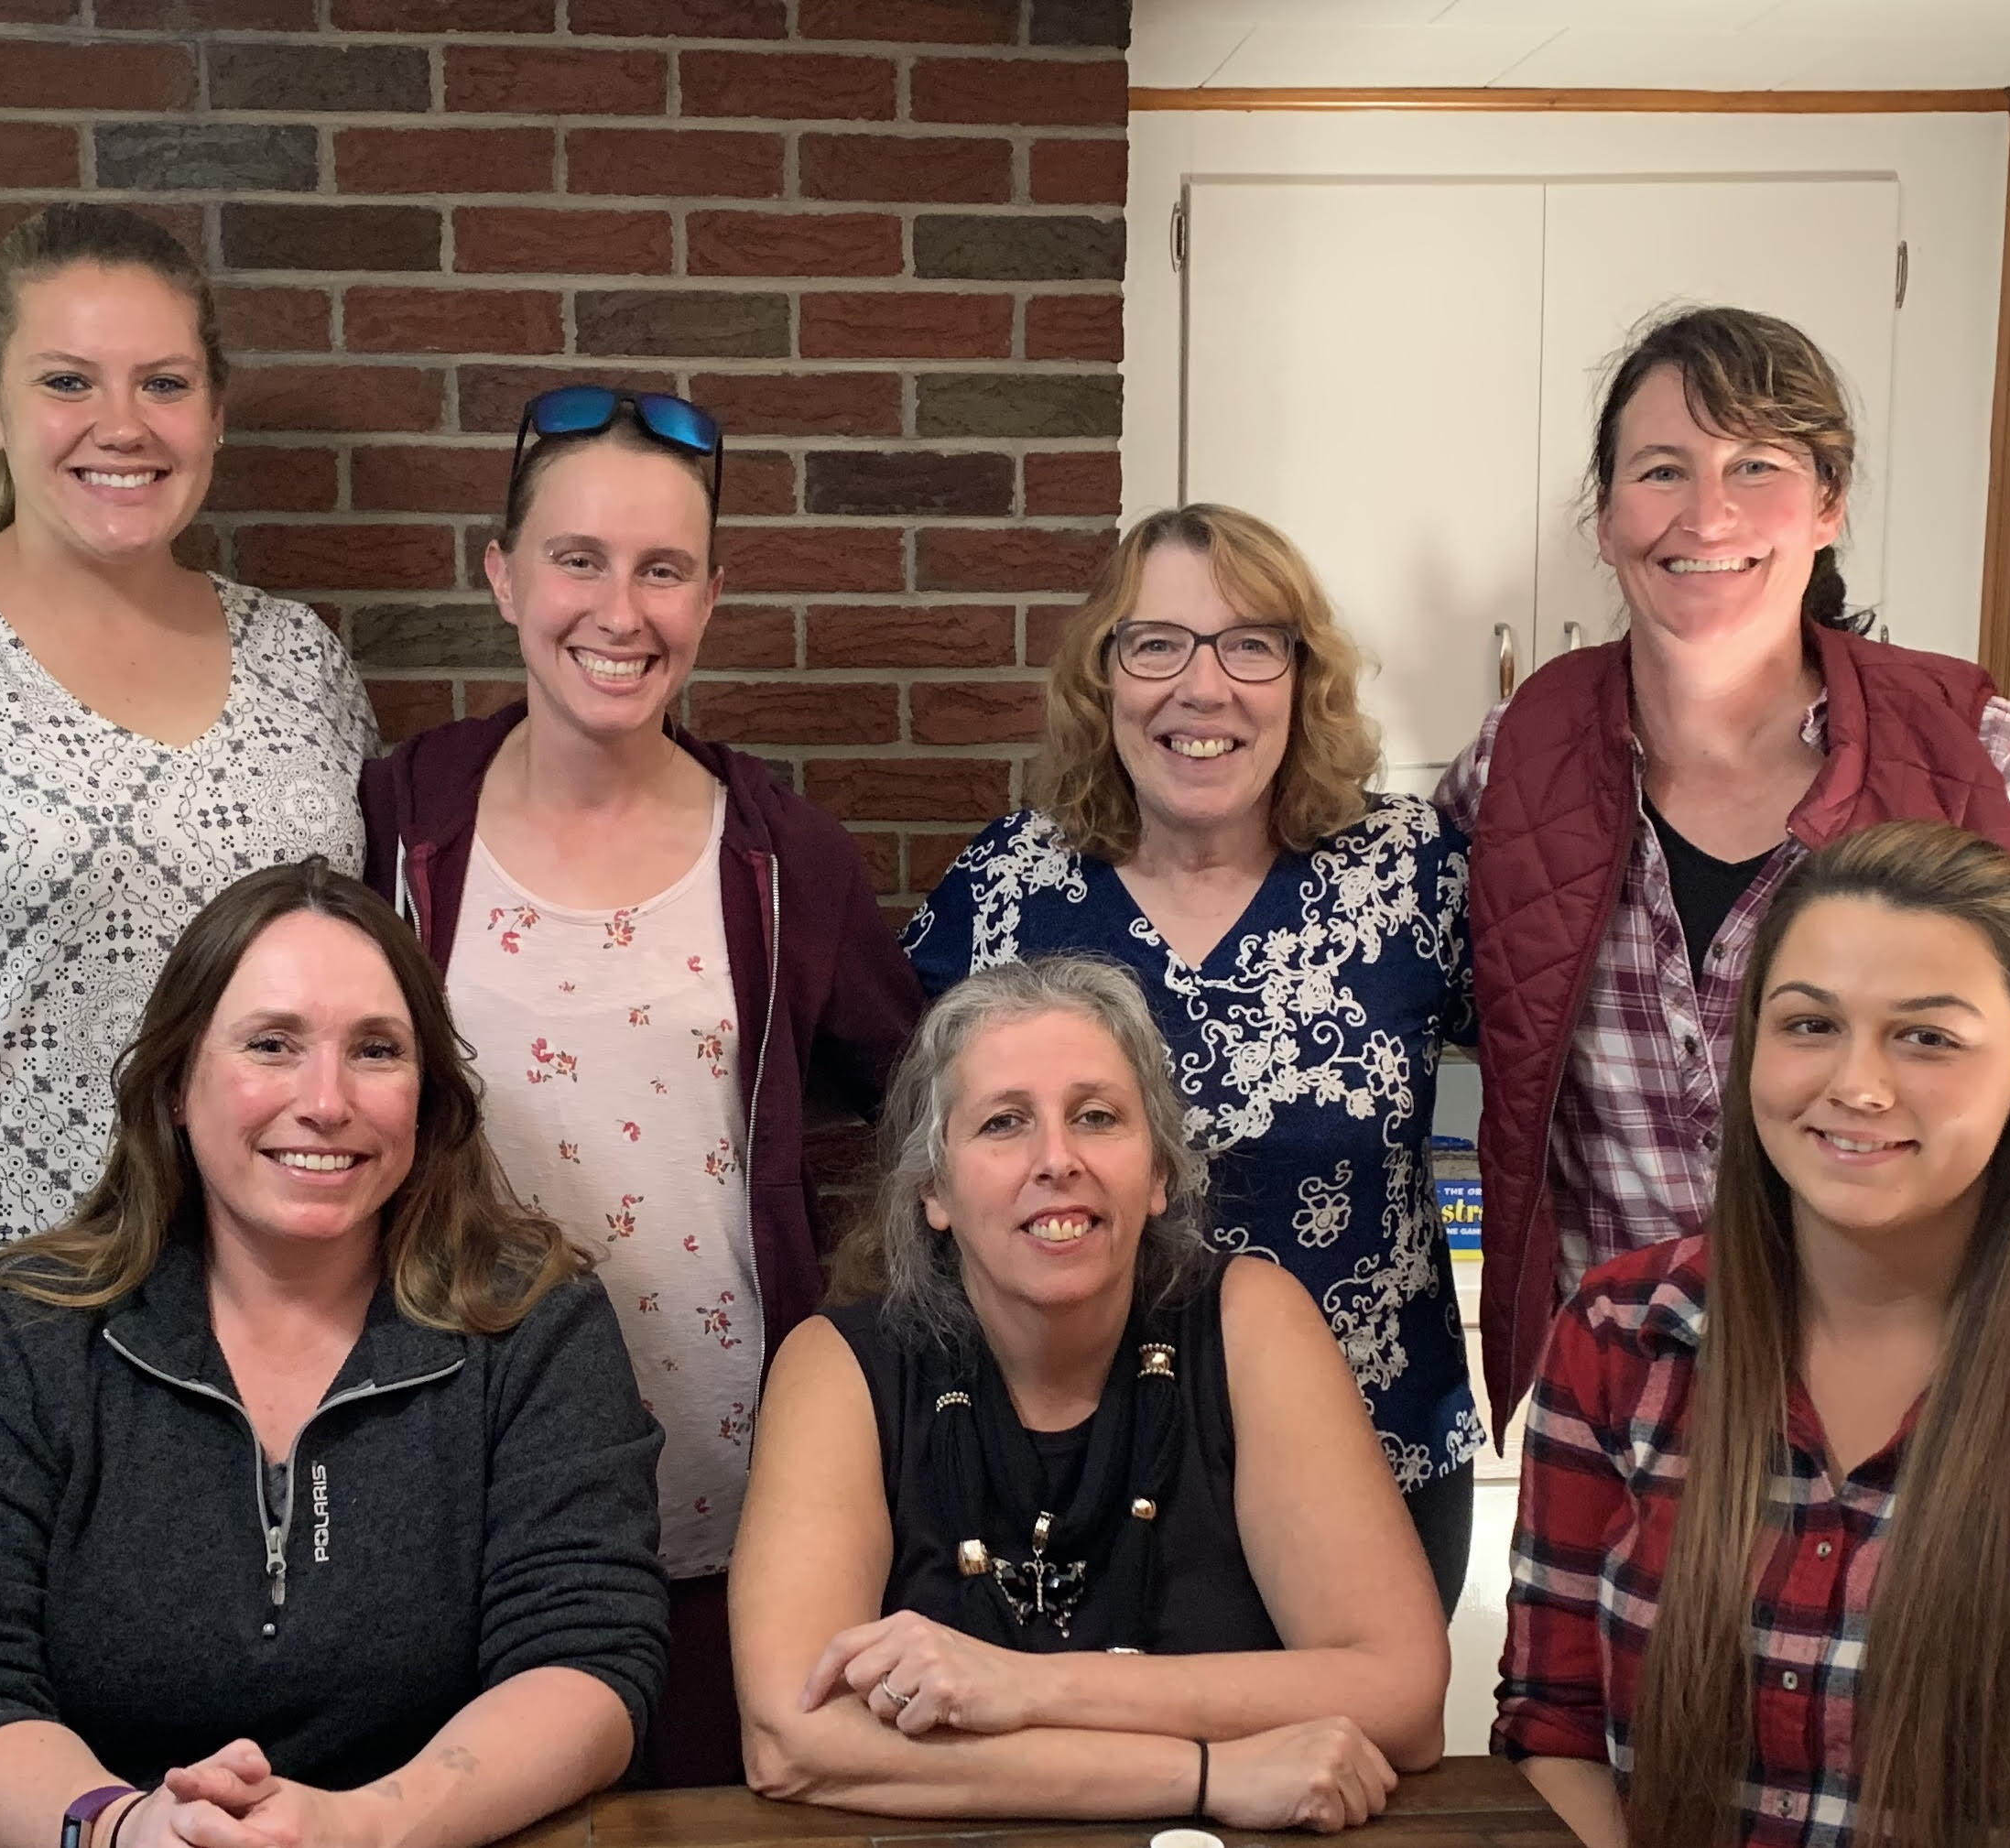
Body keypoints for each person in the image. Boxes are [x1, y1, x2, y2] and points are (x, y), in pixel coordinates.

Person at [1445, 305, 2010, 1440]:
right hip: (1643, 1387)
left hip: (1941, 1391)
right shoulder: (1520, 747)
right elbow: (1394, 965)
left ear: (1828, 505)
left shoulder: (1963, 740)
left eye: (1756, 465)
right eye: (1660, 469)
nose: (1707, 514)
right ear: (1603, 516)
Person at [1497, 821, 2010, 1846]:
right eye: (1808, 1024)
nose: (1855, 1086)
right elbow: (1551, 1729)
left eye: (1926, 1036)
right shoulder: (1617, 1335)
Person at [0, 859, 670, 1848]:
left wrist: (361, 1827)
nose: (325, 1100)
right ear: (174, 1084)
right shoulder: (25, 1329)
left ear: (426, 1095)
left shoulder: (535, 1323)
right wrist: (123, 1829)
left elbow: (588, 1660)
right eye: (271, 1044)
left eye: (376, 1049)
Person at [0, 204, 377, 1624]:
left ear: (213, 409)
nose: (118, 425)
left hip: (264, 1344)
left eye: (163, 383)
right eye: (67, 379)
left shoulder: (301, 659)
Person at [359, 385, 923, 1787]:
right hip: (443, 1483)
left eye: (663, 569)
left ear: (712, 594)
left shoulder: (781, 857)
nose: (620, 609)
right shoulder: (398, 823)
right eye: (578, 558)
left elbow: (919, 1095)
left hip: (724, 1487)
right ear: (500, 574)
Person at [904, 505, 1482, 1612]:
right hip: (1077, 1472)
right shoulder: (1010, 886)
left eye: (1249, 642)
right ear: (1104, 678)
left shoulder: (1413, 873)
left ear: (1300, 677)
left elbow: (1563, 1069)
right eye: (1155, 643)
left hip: (1374, 1456)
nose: (1201, 687)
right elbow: (923, 1147)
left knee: (1359, 1763)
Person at [731, 956, 1448, 1832]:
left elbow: (1402, 1695)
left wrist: (1023, 1686)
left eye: (1097, 1117)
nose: (1057, 1160)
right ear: (934, 1191)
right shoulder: (838, 1367)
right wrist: (1205, 1775)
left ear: (1157, 1174)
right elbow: (789, 1736)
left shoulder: (1250, 1323)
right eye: (1004, 1123)